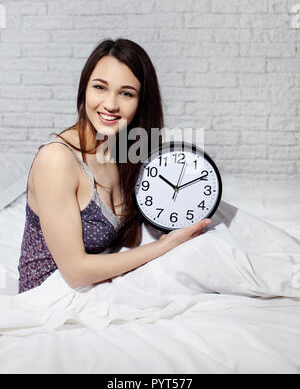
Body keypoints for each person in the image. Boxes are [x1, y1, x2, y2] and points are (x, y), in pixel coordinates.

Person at [18, 38, 210, 293]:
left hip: (95, 290)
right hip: (49, 296)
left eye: (126, 93)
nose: (110, 104)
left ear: (141, 101)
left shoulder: (122, 151)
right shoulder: (56, 160)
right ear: (84, 89)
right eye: (100, 87)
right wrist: (163, 246)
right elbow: (76, 272)